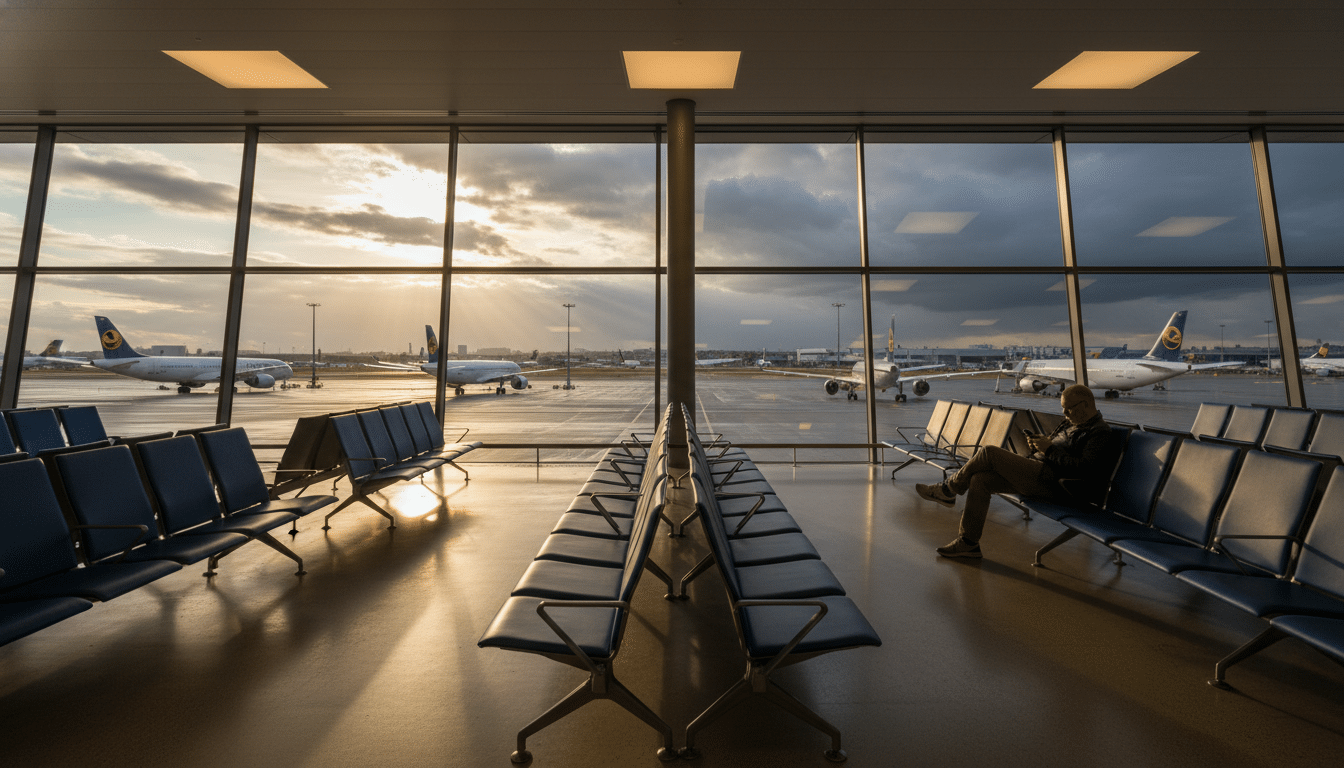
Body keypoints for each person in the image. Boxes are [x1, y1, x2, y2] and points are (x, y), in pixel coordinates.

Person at [915, 384, 1123, 559]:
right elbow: (1057, 449)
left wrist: (1048, 450)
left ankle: (948, 490)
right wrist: (1040, 445)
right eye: (1063, 409)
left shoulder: (1099, 433)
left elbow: (1084, 469)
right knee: (981, 479)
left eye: (1068, 409)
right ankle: (969, 543)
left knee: (989, 453)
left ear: (1085, 405)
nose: (1064, 414)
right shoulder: (1072, 424)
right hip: (1041, 475)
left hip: (1061, 488)